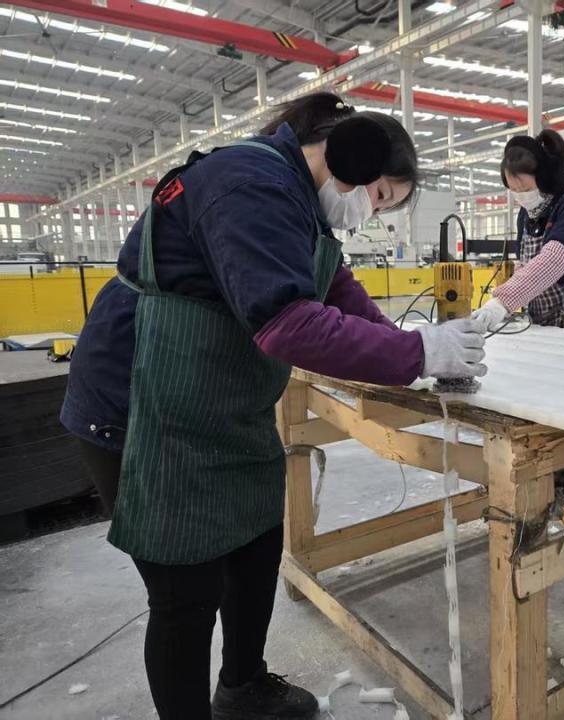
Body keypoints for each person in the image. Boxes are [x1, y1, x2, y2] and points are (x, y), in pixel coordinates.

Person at [60, 92, 486, 720]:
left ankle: (243, 687)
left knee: (256, 544)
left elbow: (339, 294)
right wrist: (418, 353)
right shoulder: (249, 184)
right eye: (378, 197)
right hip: (142, 403)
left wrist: (418, 351)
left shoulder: (302, 205)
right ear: (348, 159)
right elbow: (290, 324)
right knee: (185, 592)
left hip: (217, 403)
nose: (369, 214)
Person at [472, 130, 564, 517]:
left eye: (524, 188)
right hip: (547, 308)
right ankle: (560, 483)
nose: (520, 197)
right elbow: (529, 264)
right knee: (555, 399)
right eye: (513, 190)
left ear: (545, 175)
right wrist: (516, 298)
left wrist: (502, 302)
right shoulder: (529, 213)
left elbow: (555, 259)